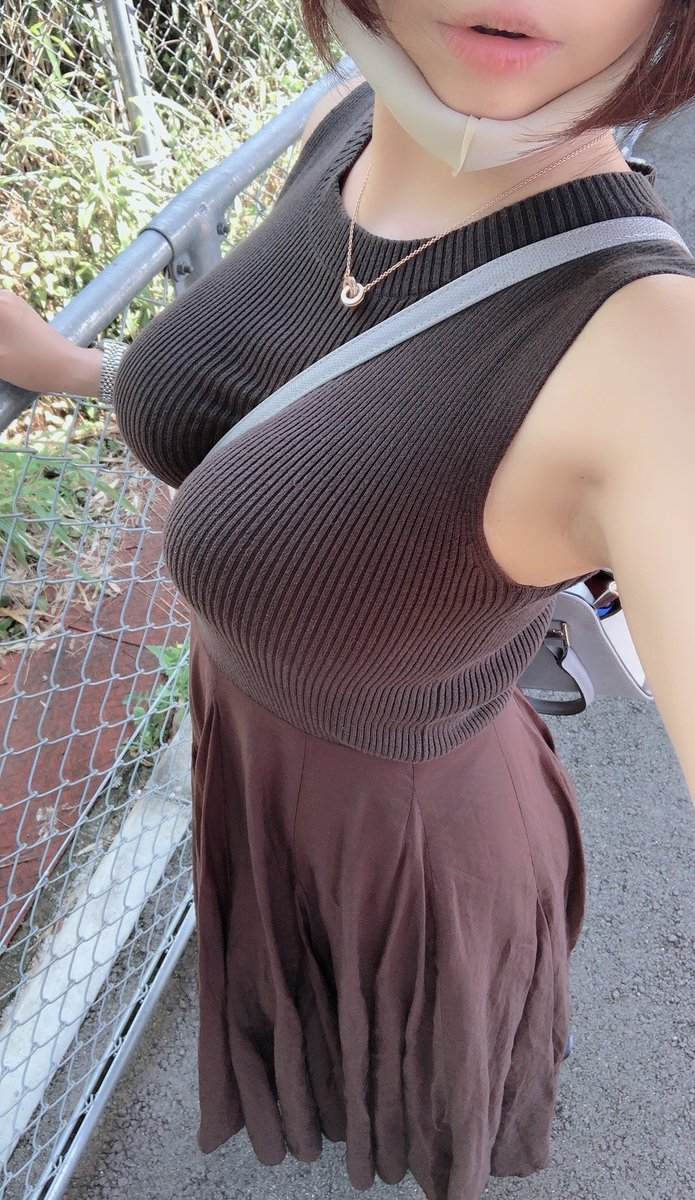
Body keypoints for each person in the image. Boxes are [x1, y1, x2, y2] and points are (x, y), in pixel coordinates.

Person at [1, 1, 695, 1196]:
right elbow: (309, 389)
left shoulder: (649, 350)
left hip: (414, 842)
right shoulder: (346, 122)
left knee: (433, 1090)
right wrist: (76, 369)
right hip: (252, 753)